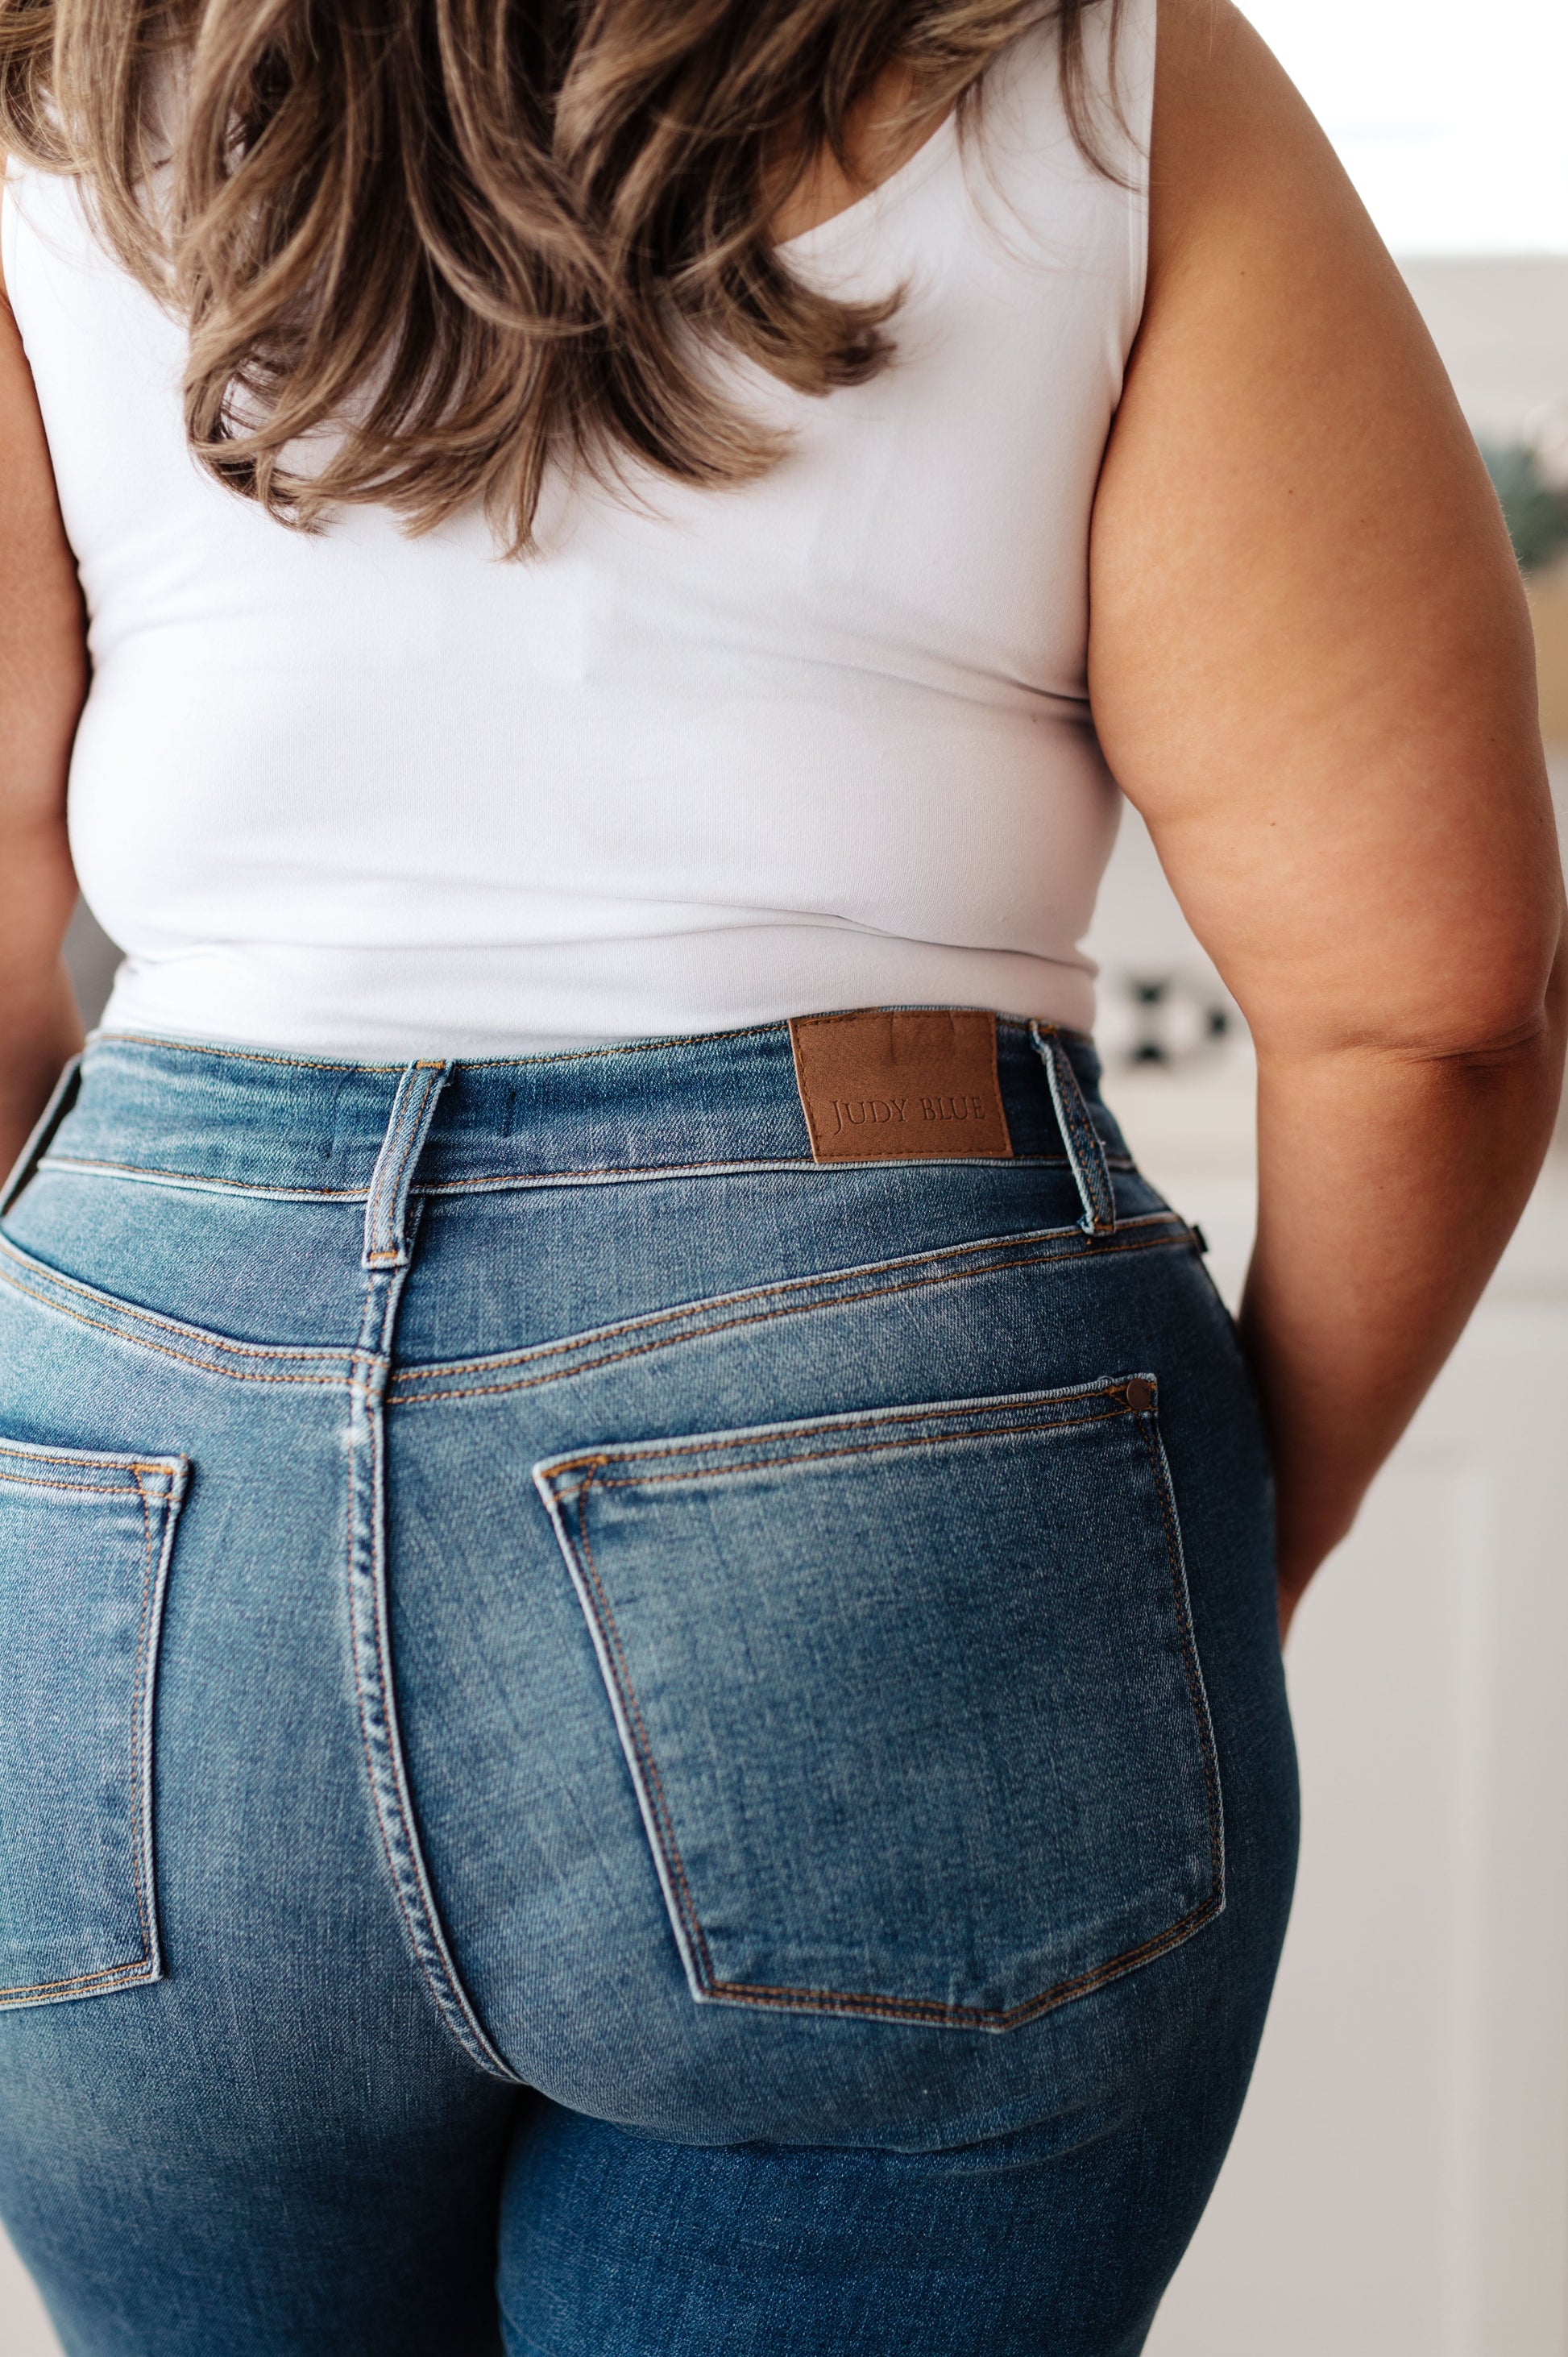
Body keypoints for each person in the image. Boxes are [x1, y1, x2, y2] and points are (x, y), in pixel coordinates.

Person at [0, 0, 1559, 2349]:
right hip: (890, 1413)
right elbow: (1428, 1010)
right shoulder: (1103, 69)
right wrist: (1236, 1548)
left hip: (114, 1482)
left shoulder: (42, 78)